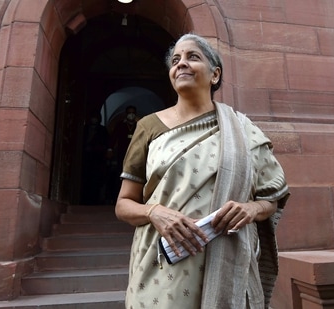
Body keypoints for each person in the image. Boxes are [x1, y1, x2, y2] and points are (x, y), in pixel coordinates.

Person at [115, 33, 290, 308]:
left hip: (225, 260)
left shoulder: (243, 131)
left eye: (192, 57)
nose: (181, 64)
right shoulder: (148, 127)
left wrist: (251, 209)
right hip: (159, 265)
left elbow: (272, 198)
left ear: (215, 74)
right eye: (175, 60)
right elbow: (123, 204)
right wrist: (153, 211)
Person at [106, 105, 139, 202]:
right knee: (120, 174)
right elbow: (113, 138)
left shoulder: (138, 125)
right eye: (129, 113)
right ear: (126, 114)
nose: (131, 115)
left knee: (135, 175)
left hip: (136, 155)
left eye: (133, 113)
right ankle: (118, 196)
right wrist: (110, 149)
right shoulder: (120, 125)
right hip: (122, 154)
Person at [81, 113, 109, 204]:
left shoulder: (102, 130)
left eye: (95, 117)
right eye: (93, 117)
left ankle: (95, 200)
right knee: (85, 179)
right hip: (85, 158)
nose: (94, 119)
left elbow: (105, 143)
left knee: (96, 180)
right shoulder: (85, 129)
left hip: (97, 159)